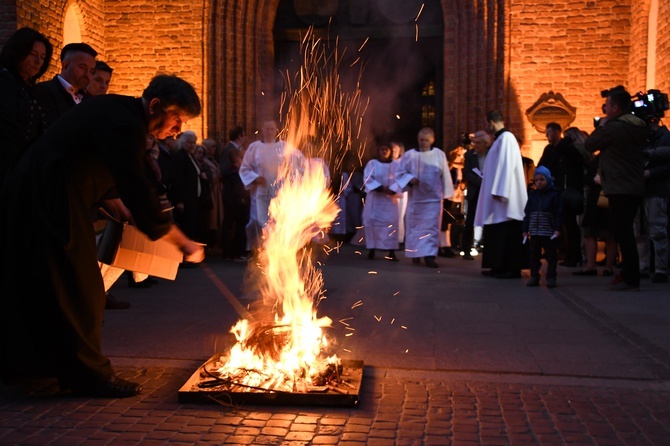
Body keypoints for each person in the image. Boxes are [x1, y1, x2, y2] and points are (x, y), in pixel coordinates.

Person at [0, 74, 205, 398]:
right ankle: (88, 375)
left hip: (41, 192)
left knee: (40, 280)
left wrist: (116, 201)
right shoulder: (127, 126)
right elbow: (136, 184)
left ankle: (31, 366)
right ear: (155, 106)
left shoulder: (119, 111)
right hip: (48, 198)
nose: (178, 128)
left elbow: (95, 159)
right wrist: (178, 239)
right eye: (177, 118)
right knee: (79, 285)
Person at [585, 86, 648, 291]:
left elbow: (590, 144)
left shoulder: (614, 127)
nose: (605, 110)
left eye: (608, 106)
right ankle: (630, 272)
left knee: (622, 231)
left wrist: (602, 126)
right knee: (626, 230)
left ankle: (631, 276)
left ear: (616, 108)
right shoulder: (639, 125)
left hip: (619, 185)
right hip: (634, 185)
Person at [474, 110, 528, 279]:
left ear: (491, 122)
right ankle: (498, 265)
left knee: (508, 231)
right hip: (496, 197)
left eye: (486, 123)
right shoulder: (499, 140)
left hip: (504, 197)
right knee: (497, 230)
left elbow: (507, 165)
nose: (486, 126)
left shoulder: (507, 138)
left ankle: (511, 268)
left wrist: (501, 190)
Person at [239, 119, 305, 251]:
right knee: (258, 220)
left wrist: (290, 179)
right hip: (261, 190)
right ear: (262, 130)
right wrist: (255, 178)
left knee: (278, 219)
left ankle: (277, 250)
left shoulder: (285, 147)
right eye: (267, 129)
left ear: (276, 131)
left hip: (279, 190)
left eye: (272, 129)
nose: (269, 132)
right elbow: (245, 168)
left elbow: (300, 163)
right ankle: (258, 250)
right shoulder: (255, 147)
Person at [0, 26, 53, 186]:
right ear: (18, 53)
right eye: (33, 55)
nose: (38, 62)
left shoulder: (28, 88)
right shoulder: (5, 81)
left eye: (43, 57)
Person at [395, 127, 454, 268]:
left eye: (426, 140)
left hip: (433, 198)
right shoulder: (409, 155)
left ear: (432, 140)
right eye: (421, 140)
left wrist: (447, 194)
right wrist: (410, 179)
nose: (423, 143)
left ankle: (430, 256)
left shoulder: (439, 155)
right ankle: (415, 253)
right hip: (416, 199)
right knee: (415, 228)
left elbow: (445, 174)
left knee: (432, 228)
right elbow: (400, 173)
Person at [635, 120, 670, 283]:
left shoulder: (664, 137)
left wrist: (650, 172)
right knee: (639, 231)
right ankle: (643, 266)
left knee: (657, 229)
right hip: (638, 189)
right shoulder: (640, 138)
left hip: (657, 189)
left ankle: (661, 269)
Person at [33, 42, 97, 128]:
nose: (87, 74)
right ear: (65, 65)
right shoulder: (44, 92)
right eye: (83, 67)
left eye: (91, 71)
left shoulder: (89, 100)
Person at [523, 166, 563, 288]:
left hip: (548, 232)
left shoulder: (554, 195)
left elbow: (558, 213)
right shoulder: (533, 195)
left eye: (542, 179)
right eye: (537, 180)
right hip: (535, 232)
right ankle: (534, 276)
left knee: (551, 256)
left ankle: (551, 277)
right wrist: (525, 229)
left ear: (548, 180)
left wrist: (557, 228)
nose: (539, 183)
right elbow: (527, 213)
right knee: (534, 255)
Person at [362, 144, 401, 261]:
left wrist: (392, 189)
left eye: (386, 149)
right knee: (372, 224)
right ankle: (372, 249)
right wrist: (380, 188)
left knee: (391, 224)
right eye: (382, 149)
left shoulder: (396, 165)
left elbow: (400, 179)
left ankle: (391, 251)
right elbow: (367, 179)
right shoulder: (372, 163)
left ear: (390, 151)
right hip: (375, 200)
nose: (384, 151)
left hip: (390, 201)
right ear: (378, 151)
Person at [219, 126, 251, 260]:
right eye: (244, 135)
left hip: (240, 193)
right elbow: (224, 171)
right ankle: (229, 251)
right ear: (239, 136)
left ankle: (238, 250)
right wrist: (238, 171)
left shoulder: (239, 150)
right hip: (232, 193)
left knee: (240, 222)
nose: (245, 138)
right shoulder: (228, 150)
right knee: (230, 223)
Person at [168, 130, 204, 243]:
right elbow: (177, 179)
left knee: (192, 227)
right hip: (185, 200)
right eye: (189, 142)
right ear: (183, 142)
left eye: (194, 142)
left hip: (193, 199)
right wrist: (180, 201)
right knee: (185, 228)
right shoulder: (180, 156)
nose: (192, 145)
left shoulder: (190, 156)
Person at [461, 130, 491, 260]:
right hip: (475, 190)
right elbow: (467, 173)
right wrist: (480, 182)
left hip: (489, 191)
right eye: (474, 143)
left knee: (490, 221)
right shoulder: (469, 155)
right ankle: (466, 248)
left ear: (486, 143)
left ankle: (489, 247)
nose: (476, 145)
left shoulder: (491, 154)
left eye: (479, 143)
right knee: (470, 220)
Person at [390, 141, 407, 246]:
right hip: (387, 193)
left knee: (399, 215)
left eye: (395, 150)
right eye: (391, 149)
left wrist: (394, 188)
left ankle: (398, 239)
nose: (393, 152)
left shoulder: (402, 163)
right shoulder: (384, 163)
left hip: (400, 192)